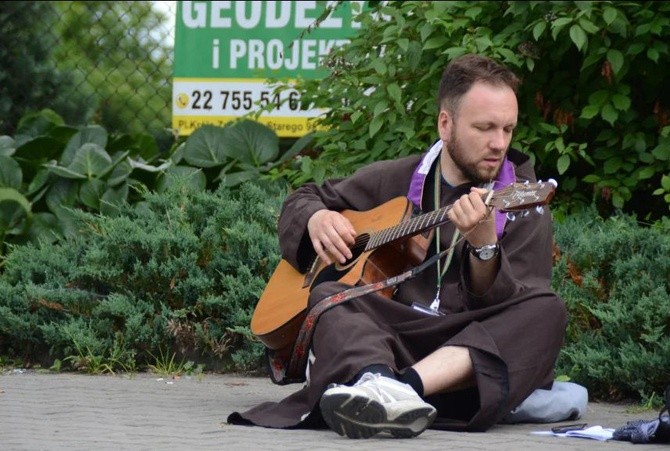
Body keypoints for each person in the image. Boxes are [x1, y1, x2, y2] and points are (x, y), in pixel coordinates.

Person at [227, 53, 567, 439]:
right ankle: (376, 379)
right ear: (445, 123)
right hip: (392, 337)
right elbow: (304, 197)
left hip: (463, 354)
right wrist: (316, 219)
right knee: (329, 296)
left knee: (548, 310)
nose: (499, 143)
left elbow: (514, 306)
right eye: (485, 128)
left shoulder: (523, 202)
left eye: (508, 129)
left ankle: (396, 391)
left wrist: (485, 250)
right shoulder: (400, 176)